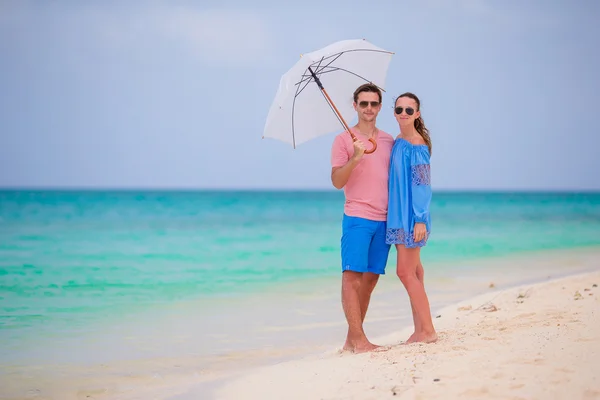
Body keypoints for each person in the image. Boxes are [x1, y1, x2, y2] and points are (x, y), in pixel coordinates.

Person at [330, 83, 395, 353]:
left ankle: (351, 341)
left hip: (384, 219)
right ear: (355, 106)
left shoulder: (390, 141)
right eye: (363, 103)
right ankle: (360, 340)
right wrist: (355, 158)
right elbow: (336, 181)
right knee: (351, 277)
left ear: (380, 107)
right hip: (357, 216)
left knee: (370, 280)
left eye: (374, 104)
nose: (369, 108)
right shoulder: (343, 140)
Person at [386, 92, 438, 344]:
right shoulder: (398, 141)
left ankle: (427, 331)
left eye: (409, 110)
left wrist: (419, 219)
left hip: (411, 217)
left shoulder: (417, 145)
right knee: (415, 271)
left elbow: (422, 185)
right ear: (394, 113)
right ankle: (419, 329)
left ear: (417, 114)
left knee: (404, 272)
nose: (404, 114)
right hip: (398, 215)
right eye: (399, 110)